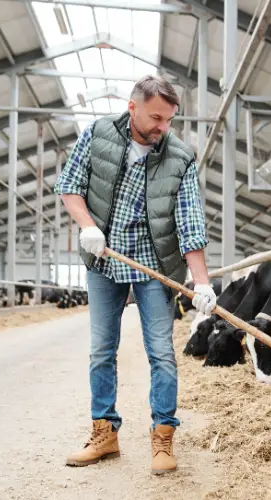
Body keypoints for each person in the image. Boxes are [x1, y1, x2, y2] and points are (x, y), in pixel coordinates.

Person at [55, 75, 217, 475]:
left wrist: (202, 282)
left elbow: (190, 220)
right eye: (157, 117)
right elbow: (69, 186)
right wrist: (87, 226)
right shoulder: (97, 134)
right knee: (100, 350)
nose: (163, 127)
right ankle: (104, 433)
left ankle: (163, 436)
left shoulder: (179, 156)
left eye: (169, 120)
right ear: (133, 107)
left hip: (155, 265)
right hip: (104, 260)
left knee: (161, 352)